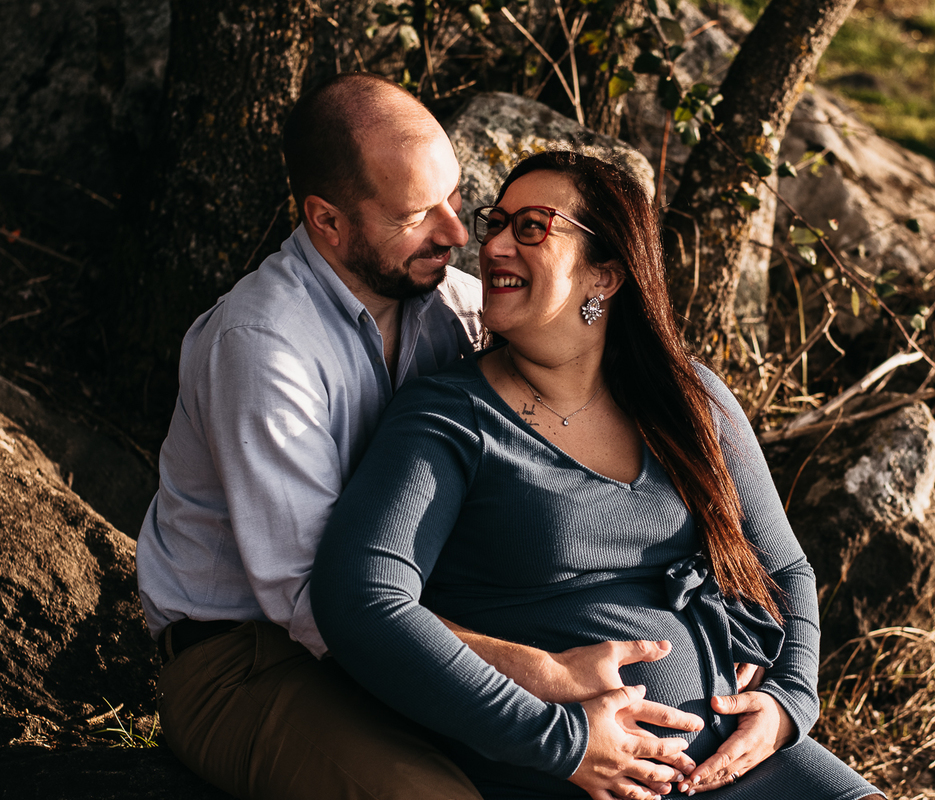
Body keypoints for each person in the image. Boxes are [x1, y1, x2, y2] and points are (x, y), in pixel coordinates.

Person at [135, 75, 696, 800]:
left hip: (416, 630)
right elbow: (319, 608)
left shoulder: (457, 309)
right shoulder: (263, 347)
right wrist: (542, 680)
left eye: (456, 197)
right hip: (255, 661)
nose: (459, 234)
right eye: (415, 214)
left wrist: (722, 639)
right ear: (327, 221)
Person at [311, 151, 885, 800]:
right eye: (496, 221)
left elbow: (785, 571)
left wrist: (788, 705)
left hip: (742, 759)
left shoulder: (687, 397)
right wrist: (560, 741)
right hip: (577, 774)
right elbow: (361, 600)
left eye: (531, 227)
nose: (492, 244)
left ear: (605, 275)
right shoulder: (450, 417)